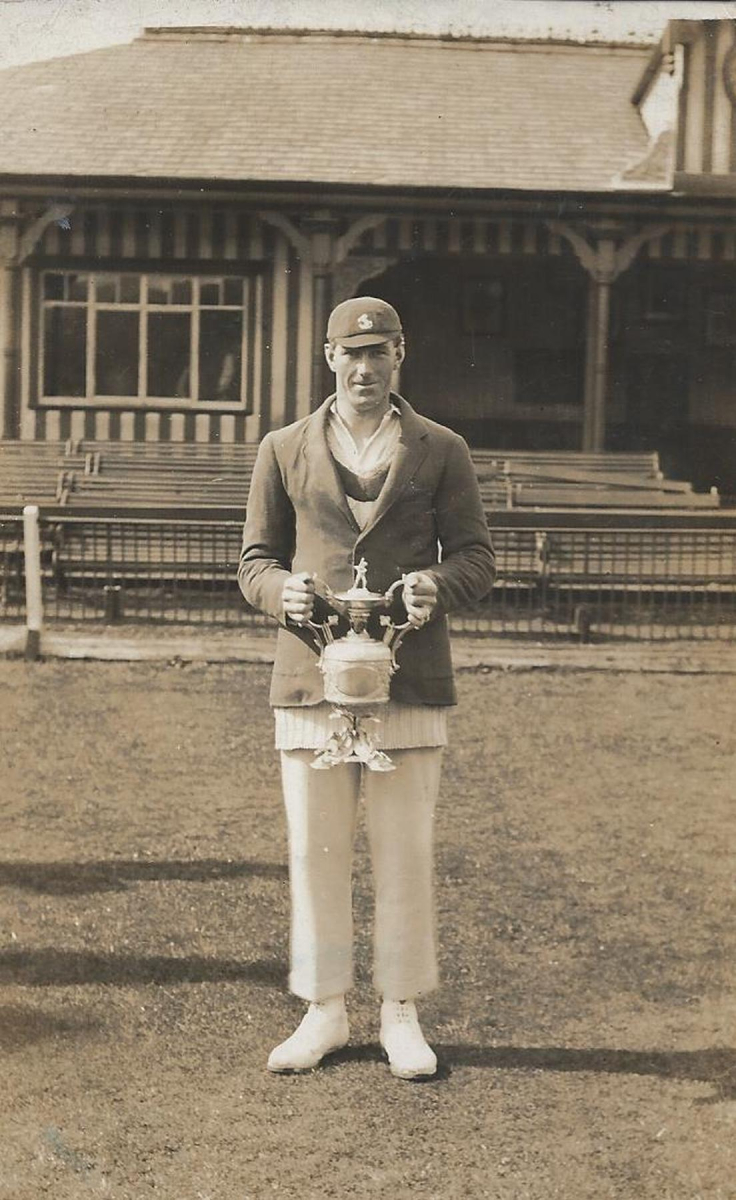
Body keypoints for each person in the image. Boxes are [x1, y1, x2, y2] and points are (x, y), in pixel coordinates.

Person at [238, 297, 495, 1079]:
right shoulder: (283, 448)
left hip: (407, 681)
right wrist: (277, 589)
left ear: (399, 356)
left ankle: (400, 1013)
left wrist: (432, 587)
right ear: (328, 360)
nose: (363, 368)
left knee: (404, 850)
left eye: (378, 353)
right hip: (311, 681)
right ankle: (322, 1009)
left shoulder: (440, 447)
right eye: (350, 355)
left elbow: (477, 559)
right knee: (314, 849)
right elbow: (253, 559)